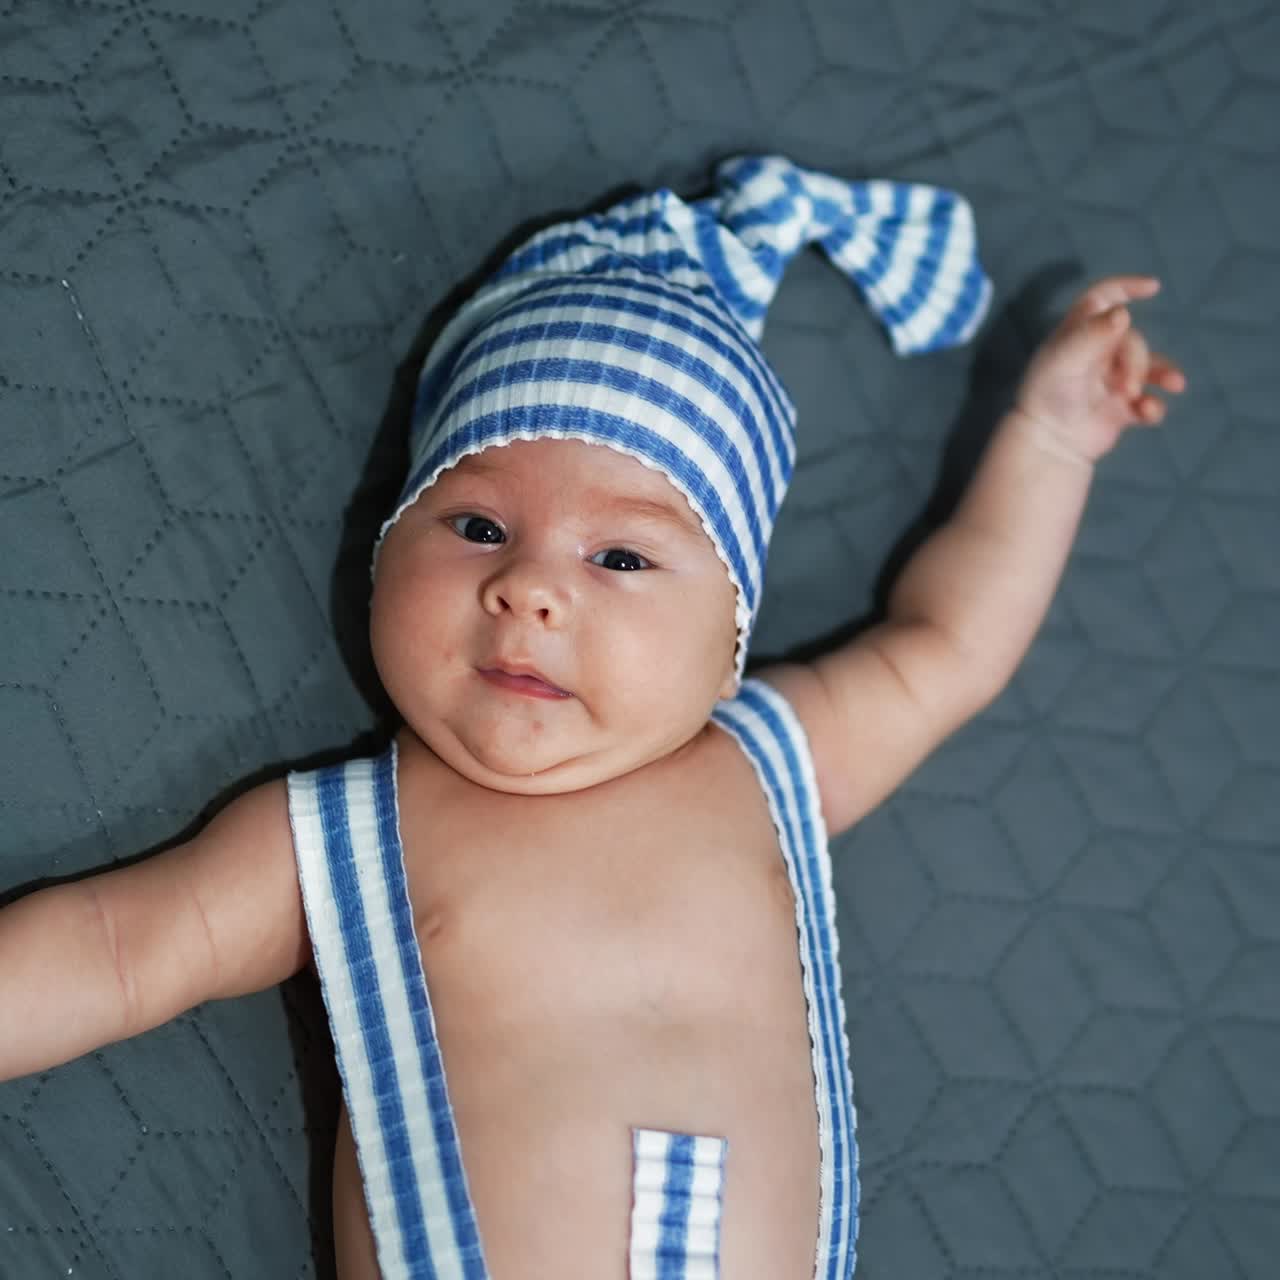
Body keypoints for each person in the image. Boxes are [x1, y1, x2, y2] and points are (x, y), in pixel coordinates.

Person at [0, 156, 1184, 1280]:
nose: (530, 587)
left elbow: (950, 644)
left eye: (620, 555)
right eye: (475, 526)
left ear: (728, 639)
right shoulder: (346, 835)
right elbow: (117, 948)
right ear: (384, 554)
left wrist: (1047, 439)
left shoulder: (767, 762)